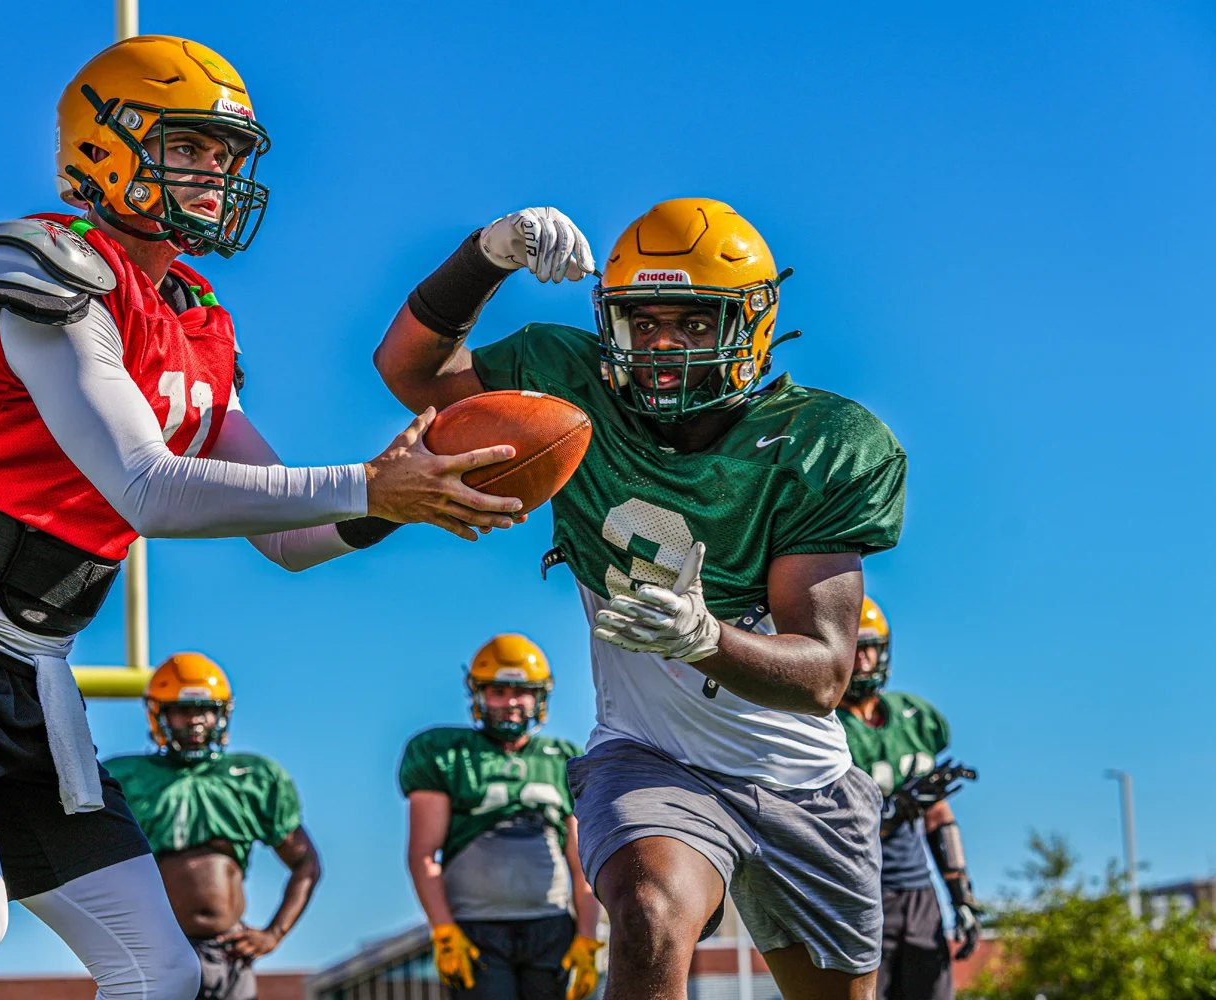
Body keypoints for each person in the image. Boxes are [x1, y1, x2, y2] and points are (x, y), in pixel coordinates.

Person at [0, 35, 522, 1000]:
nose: (218, 174)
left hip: (40, 683)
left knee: (158, 971)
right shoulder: (45, 268)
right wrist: (369, 484)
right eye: (192, 146)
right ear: (107, 146)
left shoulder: (197, 317)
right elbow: (144, 487)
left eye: (228, 155)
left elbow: (286, 539)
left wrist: (406, 501)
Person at [375, 199, 907, 1000]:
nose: (662, 346)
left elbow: (825, 674)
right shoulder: (569, 378)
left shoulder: (823, 442)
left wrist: (704, 639)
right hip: (653, 753)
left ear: (750, 325)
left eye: (693, 323)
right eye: (642, 323)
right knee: (650, 910)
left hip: (802, 779)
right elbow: (410, 373)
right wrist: (484, 255)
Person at [105, 653, 319, 1000]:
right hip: (153, 950)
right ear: (160, 713)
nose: (195, 722)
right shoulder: (124, 776)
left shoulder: (253, 777)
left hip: (228, 953)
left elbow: (305, 864)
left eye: (204, 710)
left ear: (222, 714)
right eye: (182, 710)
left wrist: (273, 933)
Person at [399, 635, 602, 1000]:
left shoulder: (564, 759)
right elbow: (423, 853)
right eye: (498, 691)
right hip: (476, 929)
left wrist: (588, 936)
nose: (510, 703)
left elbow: (582, 862)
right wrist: (444, 931)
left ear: (539, 697)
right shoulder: (444, 752)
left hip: (551, 927)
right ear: (478, 695)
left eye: (521, 691)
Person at [836, 598, 980, 1000]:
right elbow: (834, 833)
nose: (863, 661)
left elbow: (937, 816)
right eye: (854, 648)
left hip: (919, 894)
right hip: (860, 895)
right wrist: (897, 808)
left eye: (871, 648)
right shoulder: (825, 730)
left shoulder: (912, 718)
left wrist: (961, 896)